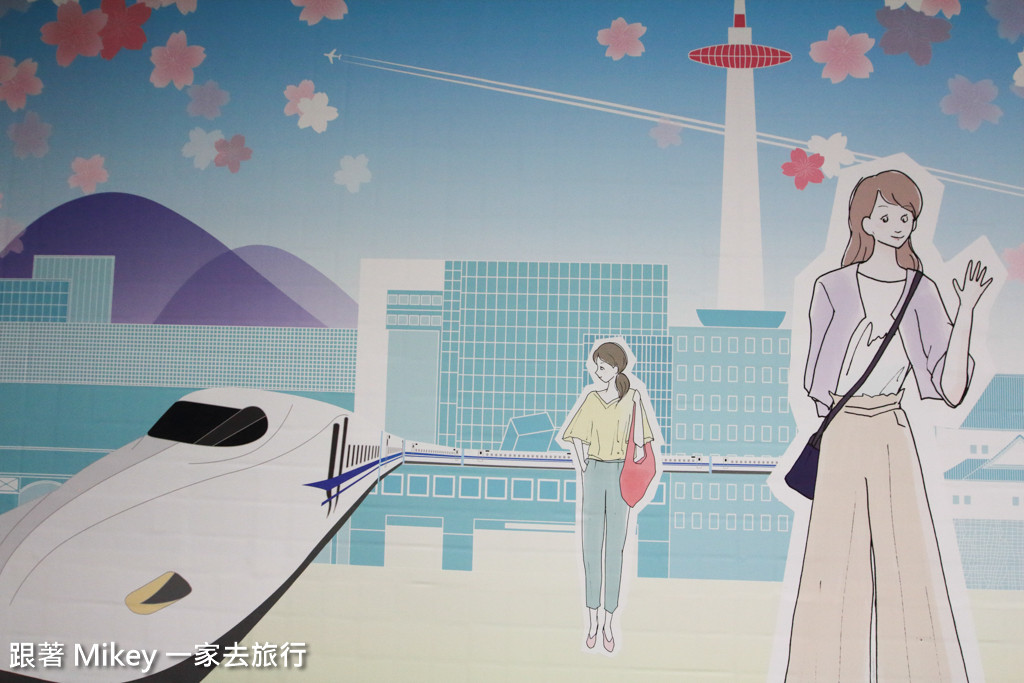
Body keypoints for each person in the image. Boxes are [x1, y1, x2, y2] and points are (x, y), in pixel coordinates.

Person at [785, 169, 991, 681]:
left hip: (892, 431)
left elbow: (950, 388)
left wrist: (966, 310)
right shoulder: (832, 286)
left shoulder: (922, 291)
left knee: (909, 560)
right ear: (865, 221)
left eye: (906, 217)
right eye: (886, 215)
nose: (898, 225)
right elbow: (816, 383)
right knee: (832, 563)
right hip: (843, 429)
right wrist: (857, 349)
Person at [561, 340, 655, 653]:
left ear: (615, 368)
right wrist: (583, 465)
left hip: (620, 475)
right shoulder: (591, 399)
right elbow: (574, 436)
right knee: (591, 548)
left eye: (602, 366)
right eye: (596, 366)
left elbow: (640, 443)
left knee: (615, 549)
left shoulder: (633, 398)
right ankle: (592, 620)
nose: (597, 371)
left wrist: (636, 408)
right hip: (594, 472)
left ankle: (609, 621)